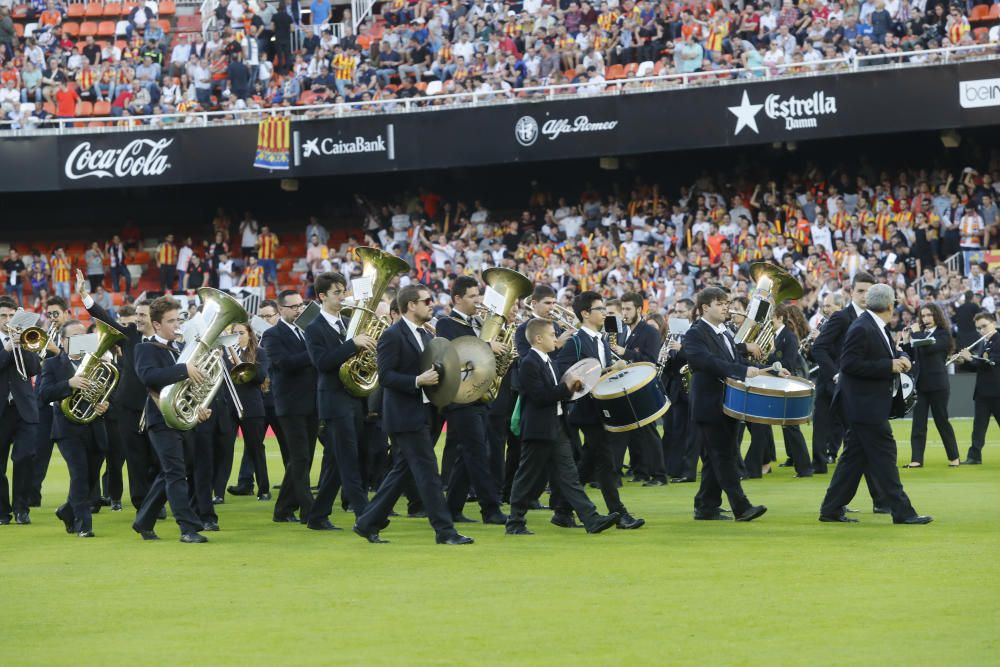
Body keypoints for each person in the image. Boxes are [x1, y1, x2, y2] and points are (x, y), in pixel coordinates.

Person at [353, 284, 473, 545]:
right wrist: (417, 380)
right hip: (404, 416)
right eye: (427, 300)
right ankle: (445, 532)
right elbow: (385, 376)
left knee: (402, 472)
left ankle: (367, 522)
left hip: (424, 413)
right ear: (410, 305)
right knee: (428, 473)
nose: (432, 304)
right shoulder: (392, 335)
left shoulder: (427, 336)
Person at [818, 284, 932, 525]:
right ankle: (903, 512)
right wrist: (888, 366)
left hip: (865, 405)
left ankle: (830, 509)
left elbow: (890, 353)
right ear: (891, 306)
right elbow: (848, 364)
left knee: (853, 459)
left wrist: (901, 357)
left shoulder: (872, 325)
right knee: (885, 454)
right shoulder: (863, 327)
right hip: (864, 406)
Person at [506, 318, 620, 536]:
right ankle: (515, 522)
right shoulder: (528, 362)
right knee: (526, 477)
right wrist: (565, 387)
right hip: (539, 430)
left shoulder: (549, 360)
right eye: (551, 335)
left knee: (569, 476)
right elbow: (539, 396)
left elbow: (556, 393)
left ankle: (591, 519)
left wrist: (573, 388)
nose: (555, 338)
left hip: (555, 426)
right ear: (538, 339)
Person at [556, 290, 644, 530]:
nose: (605, 313)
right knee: (606, 461)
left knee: (589, 460)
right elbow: (565, 373)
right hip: (585, 409)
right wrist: (605, 371)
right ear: (585, 313)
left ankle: (563, 510)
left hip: (602, 407)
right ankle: (619, 513)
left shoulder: (601, 339)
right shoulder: (576, 341)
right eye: (600, 309)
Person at [682, 286, 771, 522]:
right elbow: (708, 362)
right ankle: (741, 507)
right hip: (710, 405)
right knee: (724, 456)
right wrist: (744, 370)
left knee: (716, 457)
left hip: (728, 402)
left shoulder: (724, 330)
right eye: (720, 303)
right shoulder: (694, 334)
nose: (726, 307)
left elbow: (735, 358)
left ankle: (705, 506)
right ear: (705, 308)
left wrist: (768, 369)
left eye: (727, 302)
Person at [132, 296, 211, 542]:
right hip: (160, 419)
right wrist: (183, 369)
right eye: (171, 321)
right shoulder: (144, 348)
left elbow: (187, 388)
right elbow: (149, 377)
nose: (177, 325)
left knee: (172, 472)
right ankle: (188, 528)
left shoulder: (179, 349)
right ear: (156, 325)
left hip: (181, 417)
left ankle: (144, 520)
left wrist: (199, 407)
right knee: (176, 473)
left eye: (178, 320)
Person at [79, 270, 158, 511]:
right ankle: (141, 504)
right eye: (138, 314)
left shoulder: (168, 338)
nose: (139, 318)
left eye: (144, 315)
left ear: (157, 318)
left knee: (157, 457)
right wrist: (85, 296)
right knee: (135, 458)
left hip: (157, 405)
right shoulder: (130, 335)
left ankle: (156, 499)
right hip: (129, 407)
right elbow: (105, 319)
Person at [302, 272, 376, 531]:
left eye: (344, 291)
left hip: (353, 398)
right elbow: (322, 363)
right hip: (334, 401)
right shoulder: (313, 328)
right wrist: (353, 344)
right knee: (348, 459)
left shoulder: (347, 322)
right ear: (322, 296)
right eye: (337, 292)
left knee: (336, 460)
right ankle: (366, 518)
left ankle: (317, 516)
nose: (343, 296)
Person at [434, 276, 507, 525]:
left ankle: (452, 509)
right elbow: (456, 352)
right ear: (457, 299)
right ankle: (491, 509)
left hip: (477, 397)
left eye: (479, 295)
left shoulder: (478, 322)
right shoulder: (445, 323)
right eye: (473, 296)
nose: (478, 300)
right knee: (477, 453)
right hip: (460, 400)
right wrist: (487, 344)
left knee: (466, 456)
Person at [39, 319, 109, 538]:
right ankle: (83, 524)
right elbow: (44, 394)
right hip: (67, 429)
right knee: (79, 475)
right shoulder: (52, 364)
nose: (82, 342)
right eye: (75, 338)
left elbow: (110, 391)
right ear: (63, 341)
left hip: (95, 426)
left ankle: (67, 510)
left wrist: (105, 403)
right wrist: (69, 383)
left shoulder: (99, 363)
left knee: (90, 478)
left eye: (85, 337)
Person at [261, 289, 318, 523]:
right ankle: (308, 510)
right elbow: (284, 363)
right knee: (300, 457)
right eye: (293, 307)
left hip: (312, 402)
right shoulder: (272, 335)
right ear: (281, 309)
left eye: (301, 305)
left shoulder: (306, 332)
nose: (299, 310)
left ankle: (283, 508)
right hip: (290, 405)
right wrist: (313, 352)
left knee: (303, 458)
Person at [811, 272, 874, 472]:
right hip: (830, 380)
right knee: (822, 425)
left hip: (855, 384)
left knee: (853, 428)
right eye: (860, 291)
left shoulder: (872, 318)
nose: (865, 295)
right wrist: (835, 373)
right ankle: (820, 466)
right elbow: (818, 347)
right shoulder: (841, 316)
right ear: (851, 291)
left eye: (869, 291)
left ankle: (852, 465)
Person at [609, 291, 667, 485]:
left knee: (649, 433)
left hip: (643, 387)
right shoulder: (623, 331)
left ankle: (659, 475)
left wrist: (626, 353)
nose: (624, 313)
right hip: (629, 387)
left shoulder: (649, 332)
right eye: (622, 309)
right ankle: (640, 472)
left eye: (627, 309)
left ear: (639, 309)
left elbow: (651, 361)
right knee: (633, 433)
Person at [899, 303, 960, 467]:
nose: (925, 319)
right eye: (923, 316)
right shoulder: (921, 335)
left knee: (942, 421)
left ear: (936, 316)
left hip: (938, 385)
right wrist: (905, 342)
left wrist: (916, 333)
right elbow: (912, 356)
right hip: (921, 384)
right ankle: (916, 460)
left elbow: (926, 349)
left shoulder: (942, 334)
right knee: (918, 423)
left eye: (928, 315)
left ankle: (954, 457)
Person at [0, 296, 41, 525]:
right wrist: (7, 349)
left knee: (25, 457)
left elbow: (35, 368)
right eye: (3, 316)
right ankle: (2, 512)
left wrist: (22, 345)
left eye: (11, 316)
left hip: (24, 408)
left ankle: (22, 509)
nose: (7, 321)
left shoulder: (24, 339)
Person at [27, 295, 70, 507]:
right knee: (39, 453)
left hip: (69, 403)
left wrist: (54, 349)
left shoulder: (76, 335)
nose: (53, 318)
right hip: (44, 403)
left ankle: (89, 498)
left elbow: (78, 363)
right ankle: (32, 497)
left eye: (56, 313)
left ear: (66, 313)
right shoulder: (46, 335)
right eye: (49, 314)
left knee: (78, 455)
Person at [228, 321, 271, 499]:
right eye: (234, 333)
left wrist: (239, 362)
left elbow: (260, 377)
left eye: (241, 333)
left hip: (251, 407)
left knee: (255, 448)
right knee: (223, 450)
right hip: (228, 407)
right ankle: (217, 493)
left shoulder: (259, 352)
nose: (237, 336)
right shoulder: (222, 353)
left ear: (249, 334)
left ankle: (264, 489)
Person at [957, 312, 999, 465]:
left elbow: (992, 362)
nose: (982, 331)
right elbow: (978, 366)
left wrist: (971, 357)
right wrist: (964, 361)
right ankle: (974, 456)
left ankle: (974, 456)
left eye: (984, 326)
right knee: (978, 427)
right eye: (979, 328)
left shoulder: (999, 340)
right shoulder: (984, 342)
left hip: (997, 392)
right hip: (982, 392)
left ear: (993, 323)